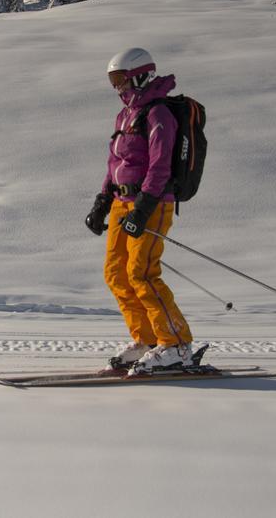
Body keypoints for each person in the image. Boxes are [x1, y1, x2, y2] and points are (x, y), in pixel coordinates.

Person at [85, 47, 194, 374]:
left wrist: (143, 207)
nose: (117, 87)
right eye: (112, 81)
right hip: (122, 204)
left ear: (142, 75)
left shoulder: (158, 113)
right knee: (115, 273)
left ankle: (176, 344)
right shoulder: (125, 115)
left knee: (142, 273)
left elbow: (160, 166)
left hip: (152, 203)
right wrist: (103, 200)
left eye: (121, 79)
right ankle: (146, 338)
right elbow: (117, 162)